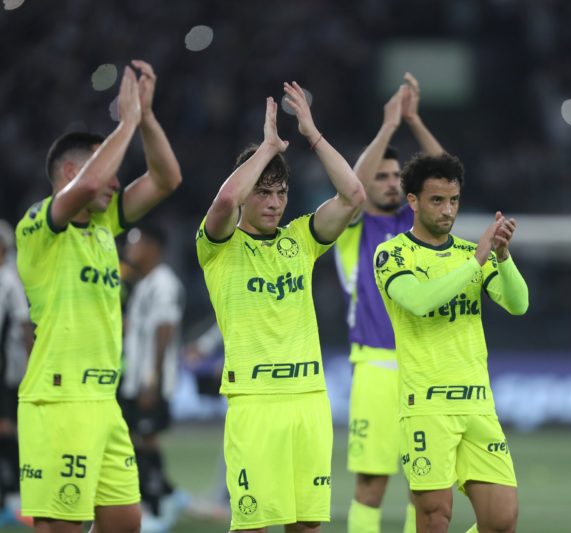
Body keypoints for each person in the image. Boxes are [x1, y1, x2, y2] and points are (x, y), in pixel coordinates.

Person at [14, 61, 182, 533]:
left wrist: (146, 119)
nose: (115, 183)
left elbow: (167, 179)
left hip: (104, 402)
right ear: (69, 170)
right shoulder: (38, 227)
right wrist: (124, 122)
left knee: (125, 522)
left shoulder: (106, 227)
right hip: (59, 401)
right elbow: (89, 184)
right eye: (108, 170)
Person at [196, 84, 364, 532]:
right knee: (253, 526)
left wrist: (312, 135)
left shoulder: (301, 239)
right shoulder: (219, 248)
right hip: (254, 403)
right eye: (264, 192)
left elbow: (352, 198)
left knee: (307, 527)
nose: (273, 203)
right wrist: (268, 147)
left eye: (281, 192)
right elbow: (226, 202)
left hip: (309, 400)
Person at [374, 152, 528, 533]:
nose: (448, 210)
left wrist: (503, 258)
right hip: (427, 404)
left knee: (502, 520)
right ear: (413, 201)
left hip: (477, 404)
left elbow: (519, 303)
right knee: (435, 517)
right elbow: (420, 302)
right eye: (437, 200)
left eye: (454, 200)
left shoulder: (466, 254)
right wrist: (476, 262)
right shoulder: (392, 254)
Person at [335, 73, 444, 533]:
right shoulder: (351, 228)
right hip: (376, 368)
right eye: (381, 175)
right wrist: (387, 128)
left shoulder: (415, 221)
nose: (389, 182)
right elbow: (352, 189)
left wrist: (413, 120)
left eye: (397, 176)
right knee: (372, 484)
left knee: (425, 485)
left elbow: (443, 175)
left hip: (423, 366)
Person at [120, 223, 186, 532]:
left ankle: (159, 505)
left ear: (152, 247)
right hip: (135, 379)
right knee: (137, 440)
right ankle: (165, 496)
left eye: (136, 242)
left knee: (145, 440)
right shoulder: (142, 283)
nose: (129, 249)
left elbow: (164, 331)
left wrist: (152, 379)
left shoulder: (164, 283)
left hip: (150, 381)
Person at [0, 220, 33, 526]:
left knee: (6, 427)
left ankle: (15, 494)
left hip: (7, 369)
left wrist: (32, 364)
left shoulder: (10, 279)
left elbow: (23, 325)